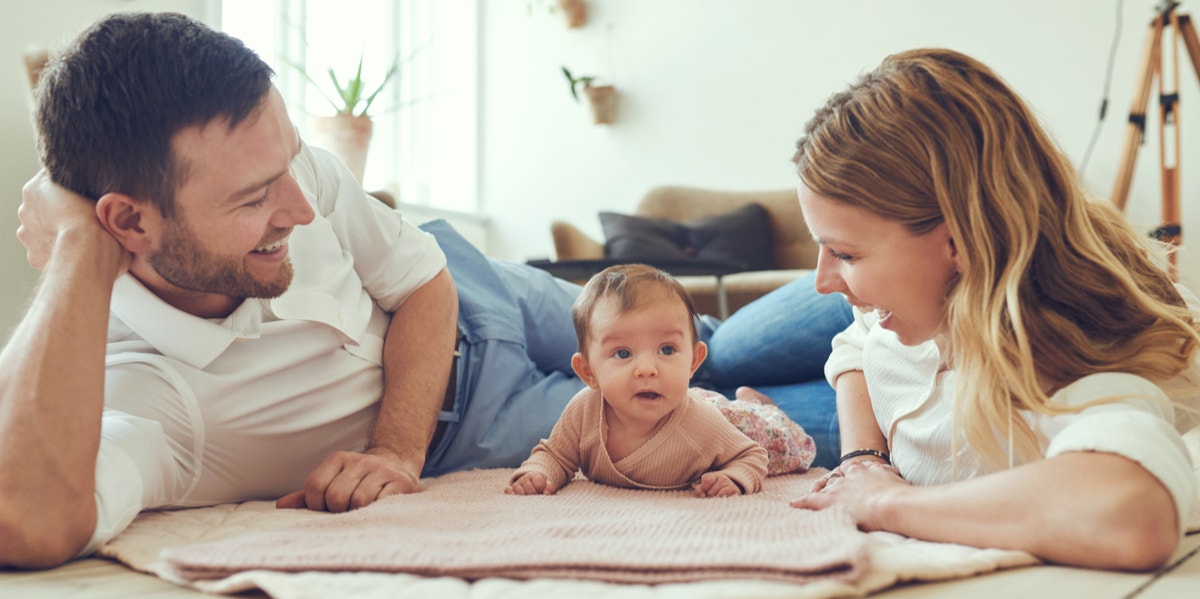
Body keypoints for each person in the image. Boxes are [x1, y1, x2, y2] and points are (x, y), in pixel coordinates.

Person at [0, 12, 853, 569]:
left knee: (710, 340)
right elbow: (23, 519)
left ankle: (950, 277)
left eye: (289, 164)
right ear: (127, 222)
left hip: (473, 291)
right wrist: (76, 246)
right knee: (738, 414)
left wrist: (393, 453)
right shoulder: (139, 393)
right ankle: (948, 377)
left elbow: (421, 280)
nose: (300, 206)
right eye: (254, 199)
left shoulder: (288, 173)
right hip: (474, 418)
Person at [787, 48, 1200, 572]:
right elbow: (853, 341)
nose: (820, 280)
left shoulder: (1069, 359)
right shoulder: (909, 296)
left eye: (845, 253)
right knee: (712, 353)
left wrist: (879, 501)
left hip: (914, 388)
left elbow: (1132, 513)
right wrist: (862, 459)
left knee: (695, 393)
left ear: (959, 241)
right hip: (879, 387)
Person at [506, 264, 810, 498]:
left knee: (786, 442)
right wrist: (538, 471)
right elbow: (556, 455)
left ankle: (759, 406)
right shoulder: (583, 411)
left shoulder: (702, 424)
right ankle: (750, 398)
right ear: (588, 373)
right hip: (704, 407)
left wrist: (733, 478)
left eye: (667, 350)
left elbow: (752, 455)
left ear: (693, 360)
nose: (647, 369)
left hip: (735, 423)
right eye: (623, 353)